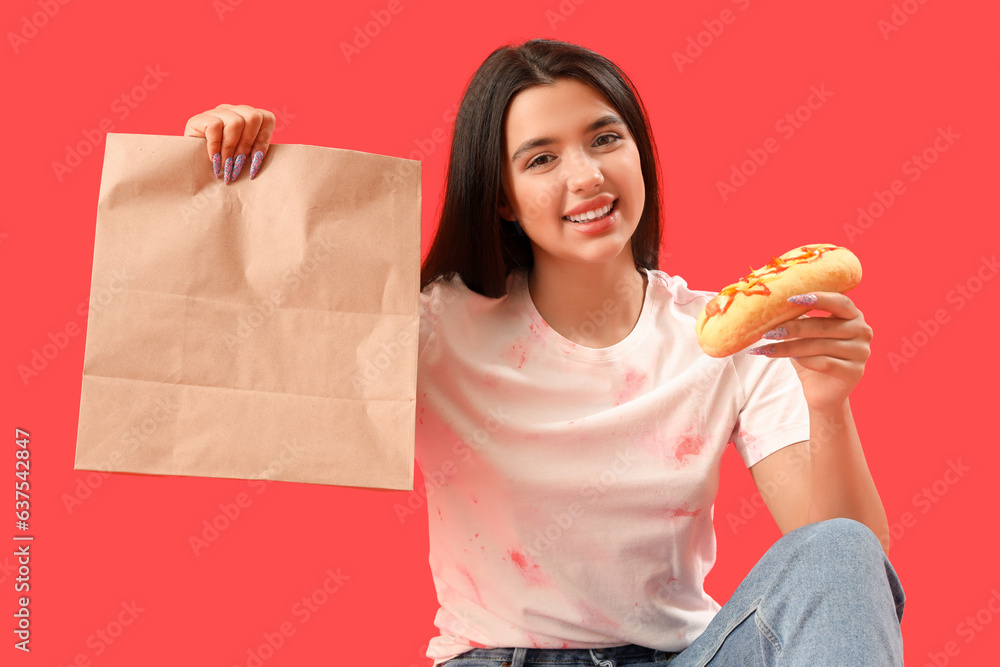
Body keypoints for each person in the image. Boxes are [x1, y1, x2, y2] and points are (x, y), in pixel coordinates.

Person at [183, 39, 904, 667]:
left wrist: (827, 401)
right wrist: (224, 179)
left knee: (838, 550)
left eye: (604, 138)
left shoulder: (728, 333)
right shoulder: (437, 326)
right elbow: (256, 354)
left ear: (638, 150)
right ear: (501, 196)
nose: (586, 176)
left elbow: (851, 568)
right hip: (501, 656)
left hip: (683, 655)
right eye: (541, 158)